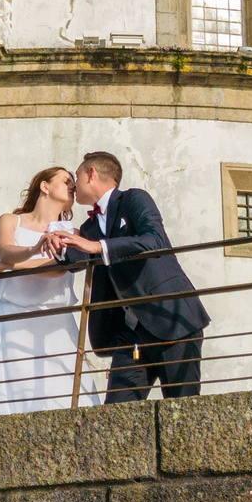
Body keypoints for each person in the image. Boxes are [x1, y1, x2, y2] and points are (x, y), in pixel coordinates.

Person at [47, 151, 210, 401]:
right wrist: (58, 248)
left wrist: (100, 247)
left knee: (184, 414)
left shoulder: (134, 199)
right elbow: (79, 258)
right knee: (116, 416)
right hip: (130, 336)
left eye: (76, 176)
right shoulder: (90, 227)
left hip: (172, 320)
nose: (74, 184)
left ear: (91, 174)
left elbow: (154, 240)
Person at [0, 166, 87, 413]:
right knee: (20, 391)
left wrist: (4, 267)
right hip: (14, 319)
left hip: (55, 319)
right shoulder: (11, 220)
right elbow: (5, 249)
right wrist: (33, 248)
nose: (72, 185)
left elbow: (58, 268)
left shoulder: (73, 233)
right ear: (45, 186)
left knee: (65, 386)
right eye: (65, 180)